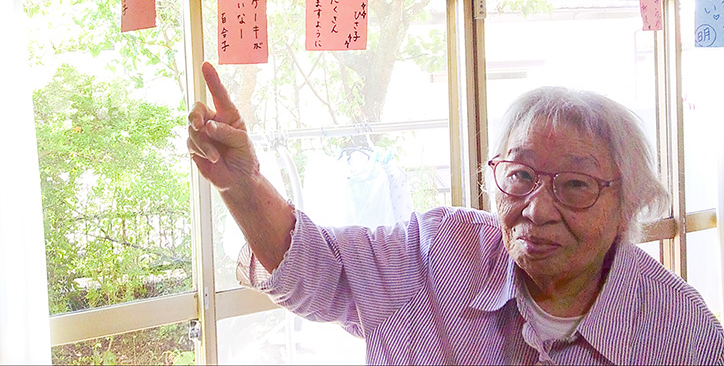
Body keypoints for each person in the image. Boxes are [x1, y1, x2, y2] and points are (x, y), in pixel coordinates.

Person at [188, 61, 724, 365]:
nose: (536, 210)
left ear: (626, 202)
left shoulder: (681, 333)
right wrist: (243, 185)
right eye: (520, 176)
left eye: (576, 186)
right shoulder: (438, 252)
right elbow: (315, 269)